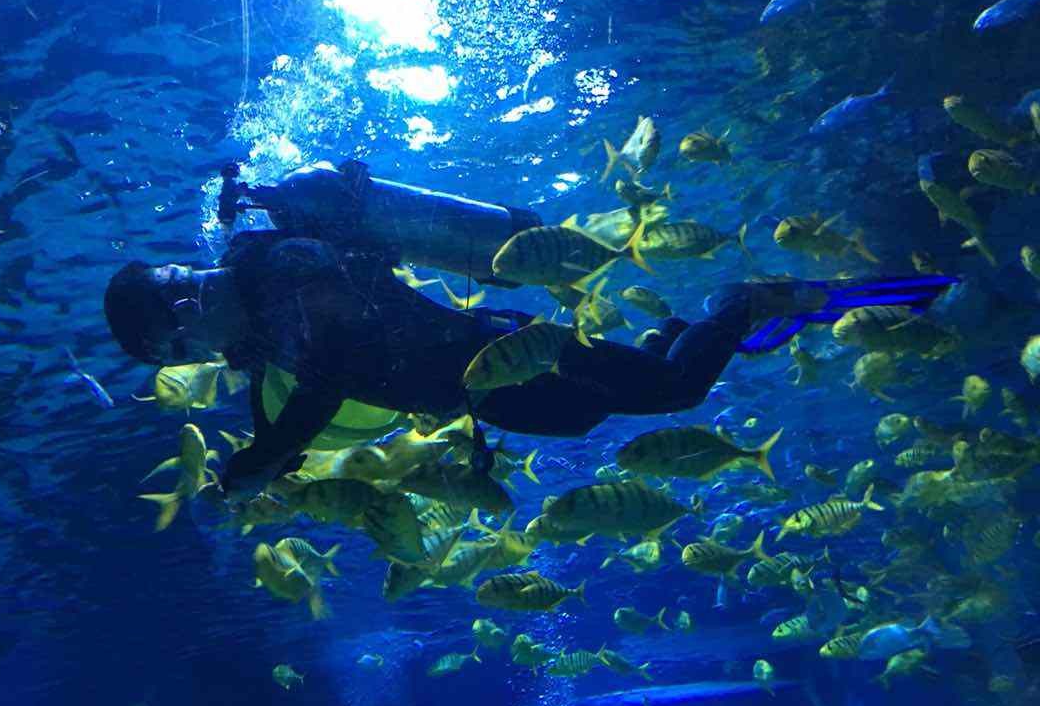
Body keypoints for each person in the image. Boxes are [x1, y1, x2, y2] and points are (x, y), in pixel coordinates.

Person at [104, 223, 956, 500]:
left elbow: (325, 378)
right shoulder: (259, 334)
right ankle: (675, 335)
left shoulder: (284, 268)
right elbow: (291, 401)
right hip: (490, 396)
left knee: (676, 394)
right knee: (605, 408)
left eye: (181, 342)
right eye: (184, 355)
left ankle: (742, 302)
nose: (200, 350)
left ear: (182, 310)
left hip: (502, 353)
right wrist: (261, 462)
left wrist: (263, 459)